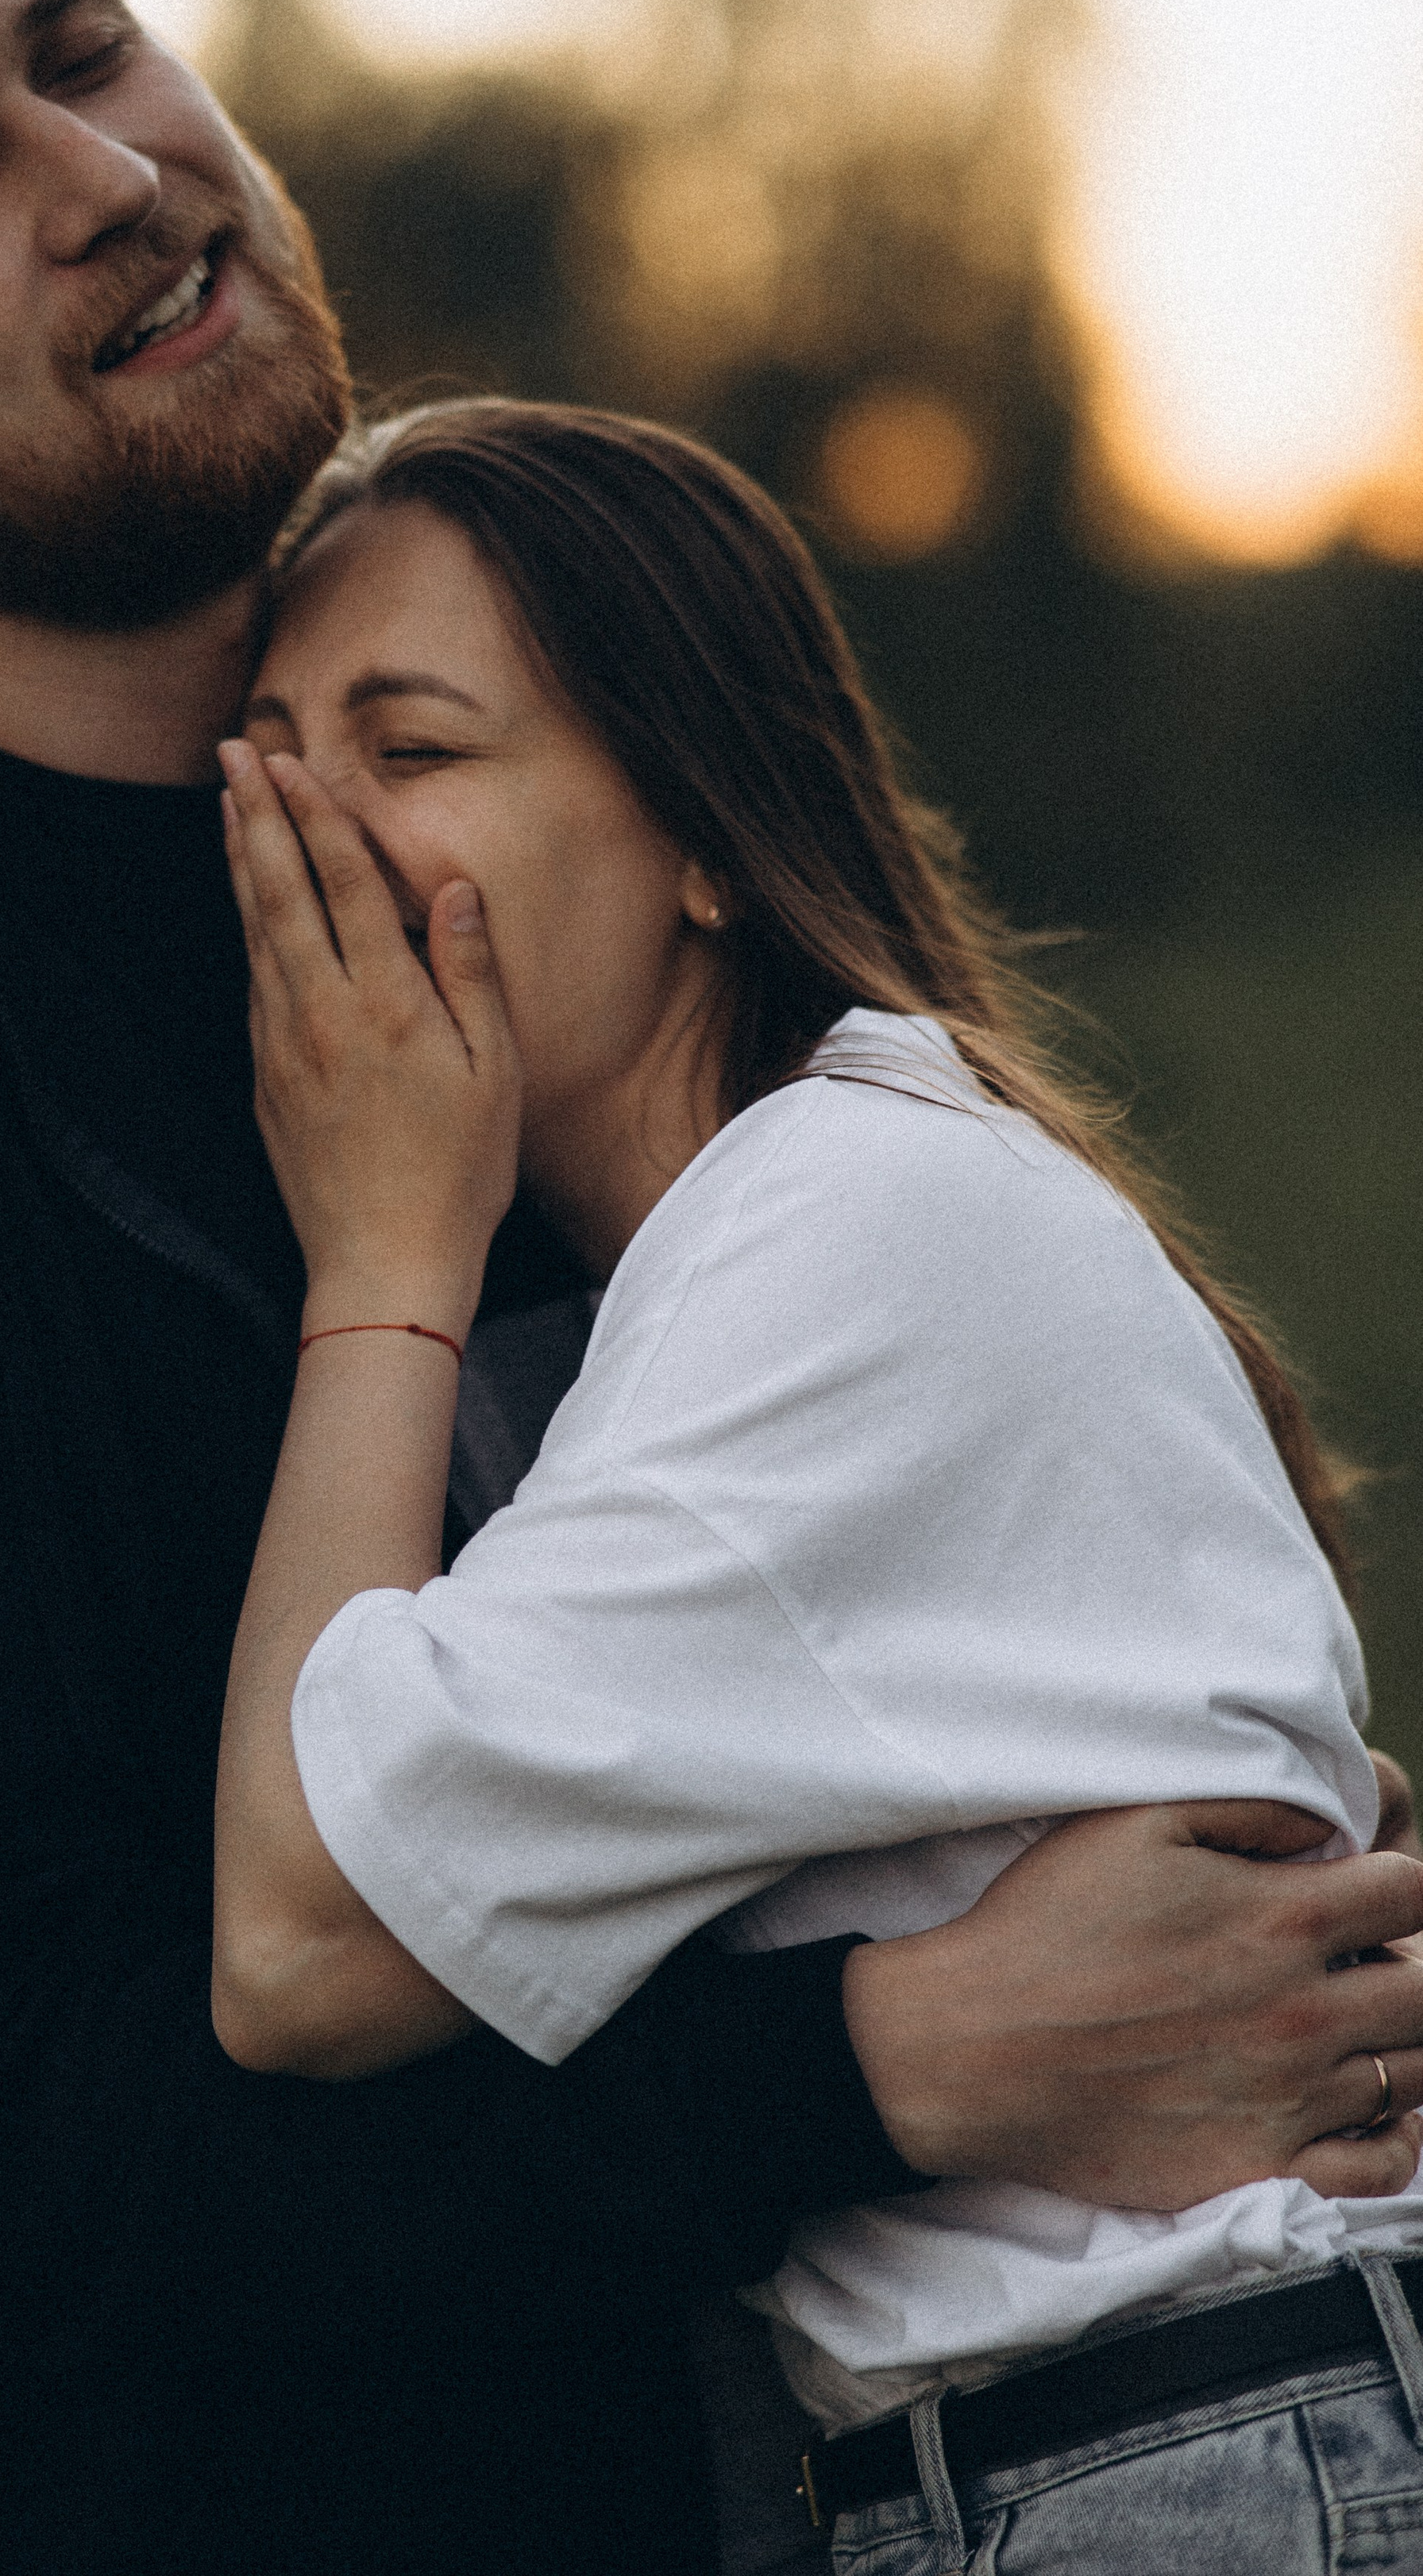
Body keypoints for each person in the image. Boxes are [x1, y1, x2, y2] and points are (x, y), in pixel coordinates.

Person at [0, 0, 1423, 2576]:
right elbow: (15, 2152)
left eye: (78, 42)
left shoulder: (518, 790)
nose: (103, 171)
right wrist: (914, 2056)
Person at [208, 395, 1423, 2573]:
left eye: (406, 750)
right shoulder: (762, 1246)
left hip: (1184, 2473)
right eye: (274, 767)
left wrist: (378, 1257)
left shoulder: (834, 1227)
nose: (309, 840)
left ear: (698, 835)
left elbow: (307, 1939)